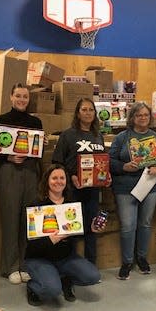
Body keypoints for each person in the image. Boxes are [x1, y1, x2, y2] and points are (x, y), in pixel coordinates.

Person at [24, 164, 101, 306]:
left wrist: (90, 229)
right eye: (54, 178)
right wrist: (50, 240)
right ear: (47, 180)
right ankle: (32, 287)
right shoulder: (37, 205)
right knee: (52, 290)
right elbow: (29, 243)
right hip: (39, 259)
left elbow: (77, 232)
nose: (58, 181)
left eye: (62, 178)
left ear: (66, 181)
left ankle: (65, 279)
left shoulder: (72, 205)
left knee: (93, 276)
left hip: (66, 258)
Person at [109, 101, 156, 280]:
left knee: (145, 224)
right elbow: (109, 161)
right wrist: (124, 166)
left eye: (146, 115)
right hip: (125, 188)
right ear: (132, 118)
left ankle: (142, 258)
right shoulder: (122, 137)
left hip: (150, 186)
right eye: (139, 115)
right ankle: (127, 262)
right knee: (128, 226)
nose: (143, 118)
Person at [0, 83, 43, 284]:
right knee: (10, 217)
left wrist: (40, 144)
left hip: (30, 171)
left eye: (25, 97)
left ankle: (25, 264)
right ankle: (11, 266)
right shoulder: (0, 121)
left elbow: (36, 149)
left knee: (28, 218)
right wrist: (8, 158)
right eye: (18, 96)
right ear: (11, 97)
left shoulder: (35, 122)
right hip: (9, 170)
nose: (22, 100)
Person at [52, 98, 108, 265]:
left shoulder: (98, 136)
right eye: (84, 109)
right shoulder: (68, 135)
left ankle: (91, 265)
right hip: (73, 189)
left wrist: (106, 175)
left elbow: (102, 161)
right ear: (78, 113)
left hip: (93, 190)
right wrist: (71, 177)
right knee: (72, 228)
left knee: (92, 227)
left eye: (91, 110)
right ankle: (71, 264)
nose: (88, 112)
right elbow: (57, 162)